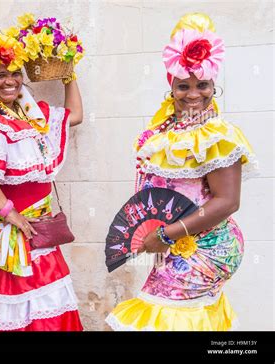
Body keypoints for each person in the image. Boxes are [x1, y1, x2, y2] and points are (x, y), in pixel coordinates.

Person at [105, 13, 258, 331]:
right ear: (170, 85)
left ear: (214, 85)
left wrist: (163, 235)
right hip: (175, 242)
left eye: (202, 85)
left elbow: (227, 202)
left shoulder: (217, 135)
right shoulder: (168, 129)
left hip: (208, 245)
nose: (193, 94)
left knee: (167, 317)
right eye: (183, 85)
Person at [0, 26, 83, 331]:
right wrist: (7, 211)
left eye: (14, 73)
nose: (9, 81)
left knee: (46, 304)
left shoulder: (26, 113)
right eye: (0, 74)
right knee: (24, 306)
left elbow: (74, 115)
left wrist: (69, 72)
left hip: (40, 230)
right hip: (16, 234)